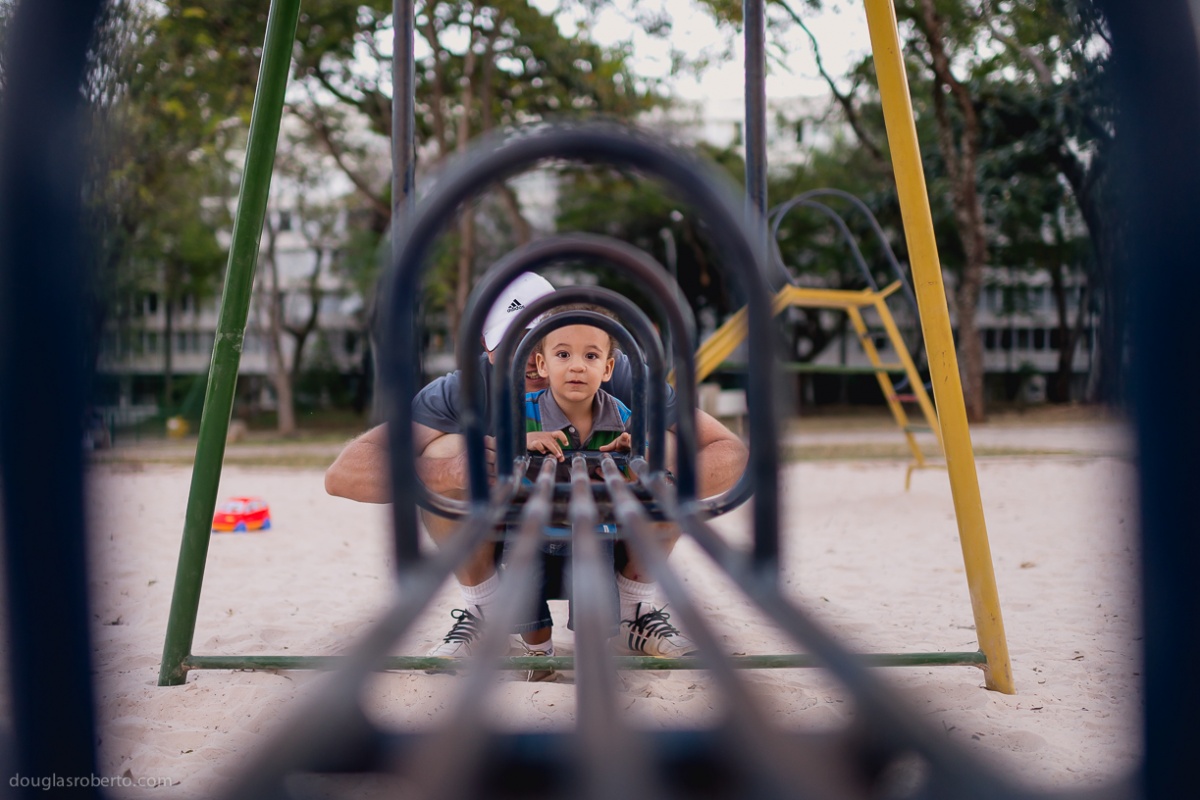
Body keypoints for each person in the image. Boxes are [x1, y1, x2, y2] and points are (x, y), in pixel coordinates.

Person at [323, 273, 749, 664]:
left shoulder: (604, 374)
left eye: (535, 340)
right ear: (486, 351)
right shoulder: (463, 388)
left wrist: (652, 474)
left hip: (608, 531)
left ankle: (633, 606)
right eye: (508, 345)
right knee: (444, 454)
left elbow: (729, 452)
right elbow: (343, 475)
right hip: (506, 536)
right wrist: (450, 472)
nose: (526, 359)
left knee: (666, 448)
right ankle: (486, 608)